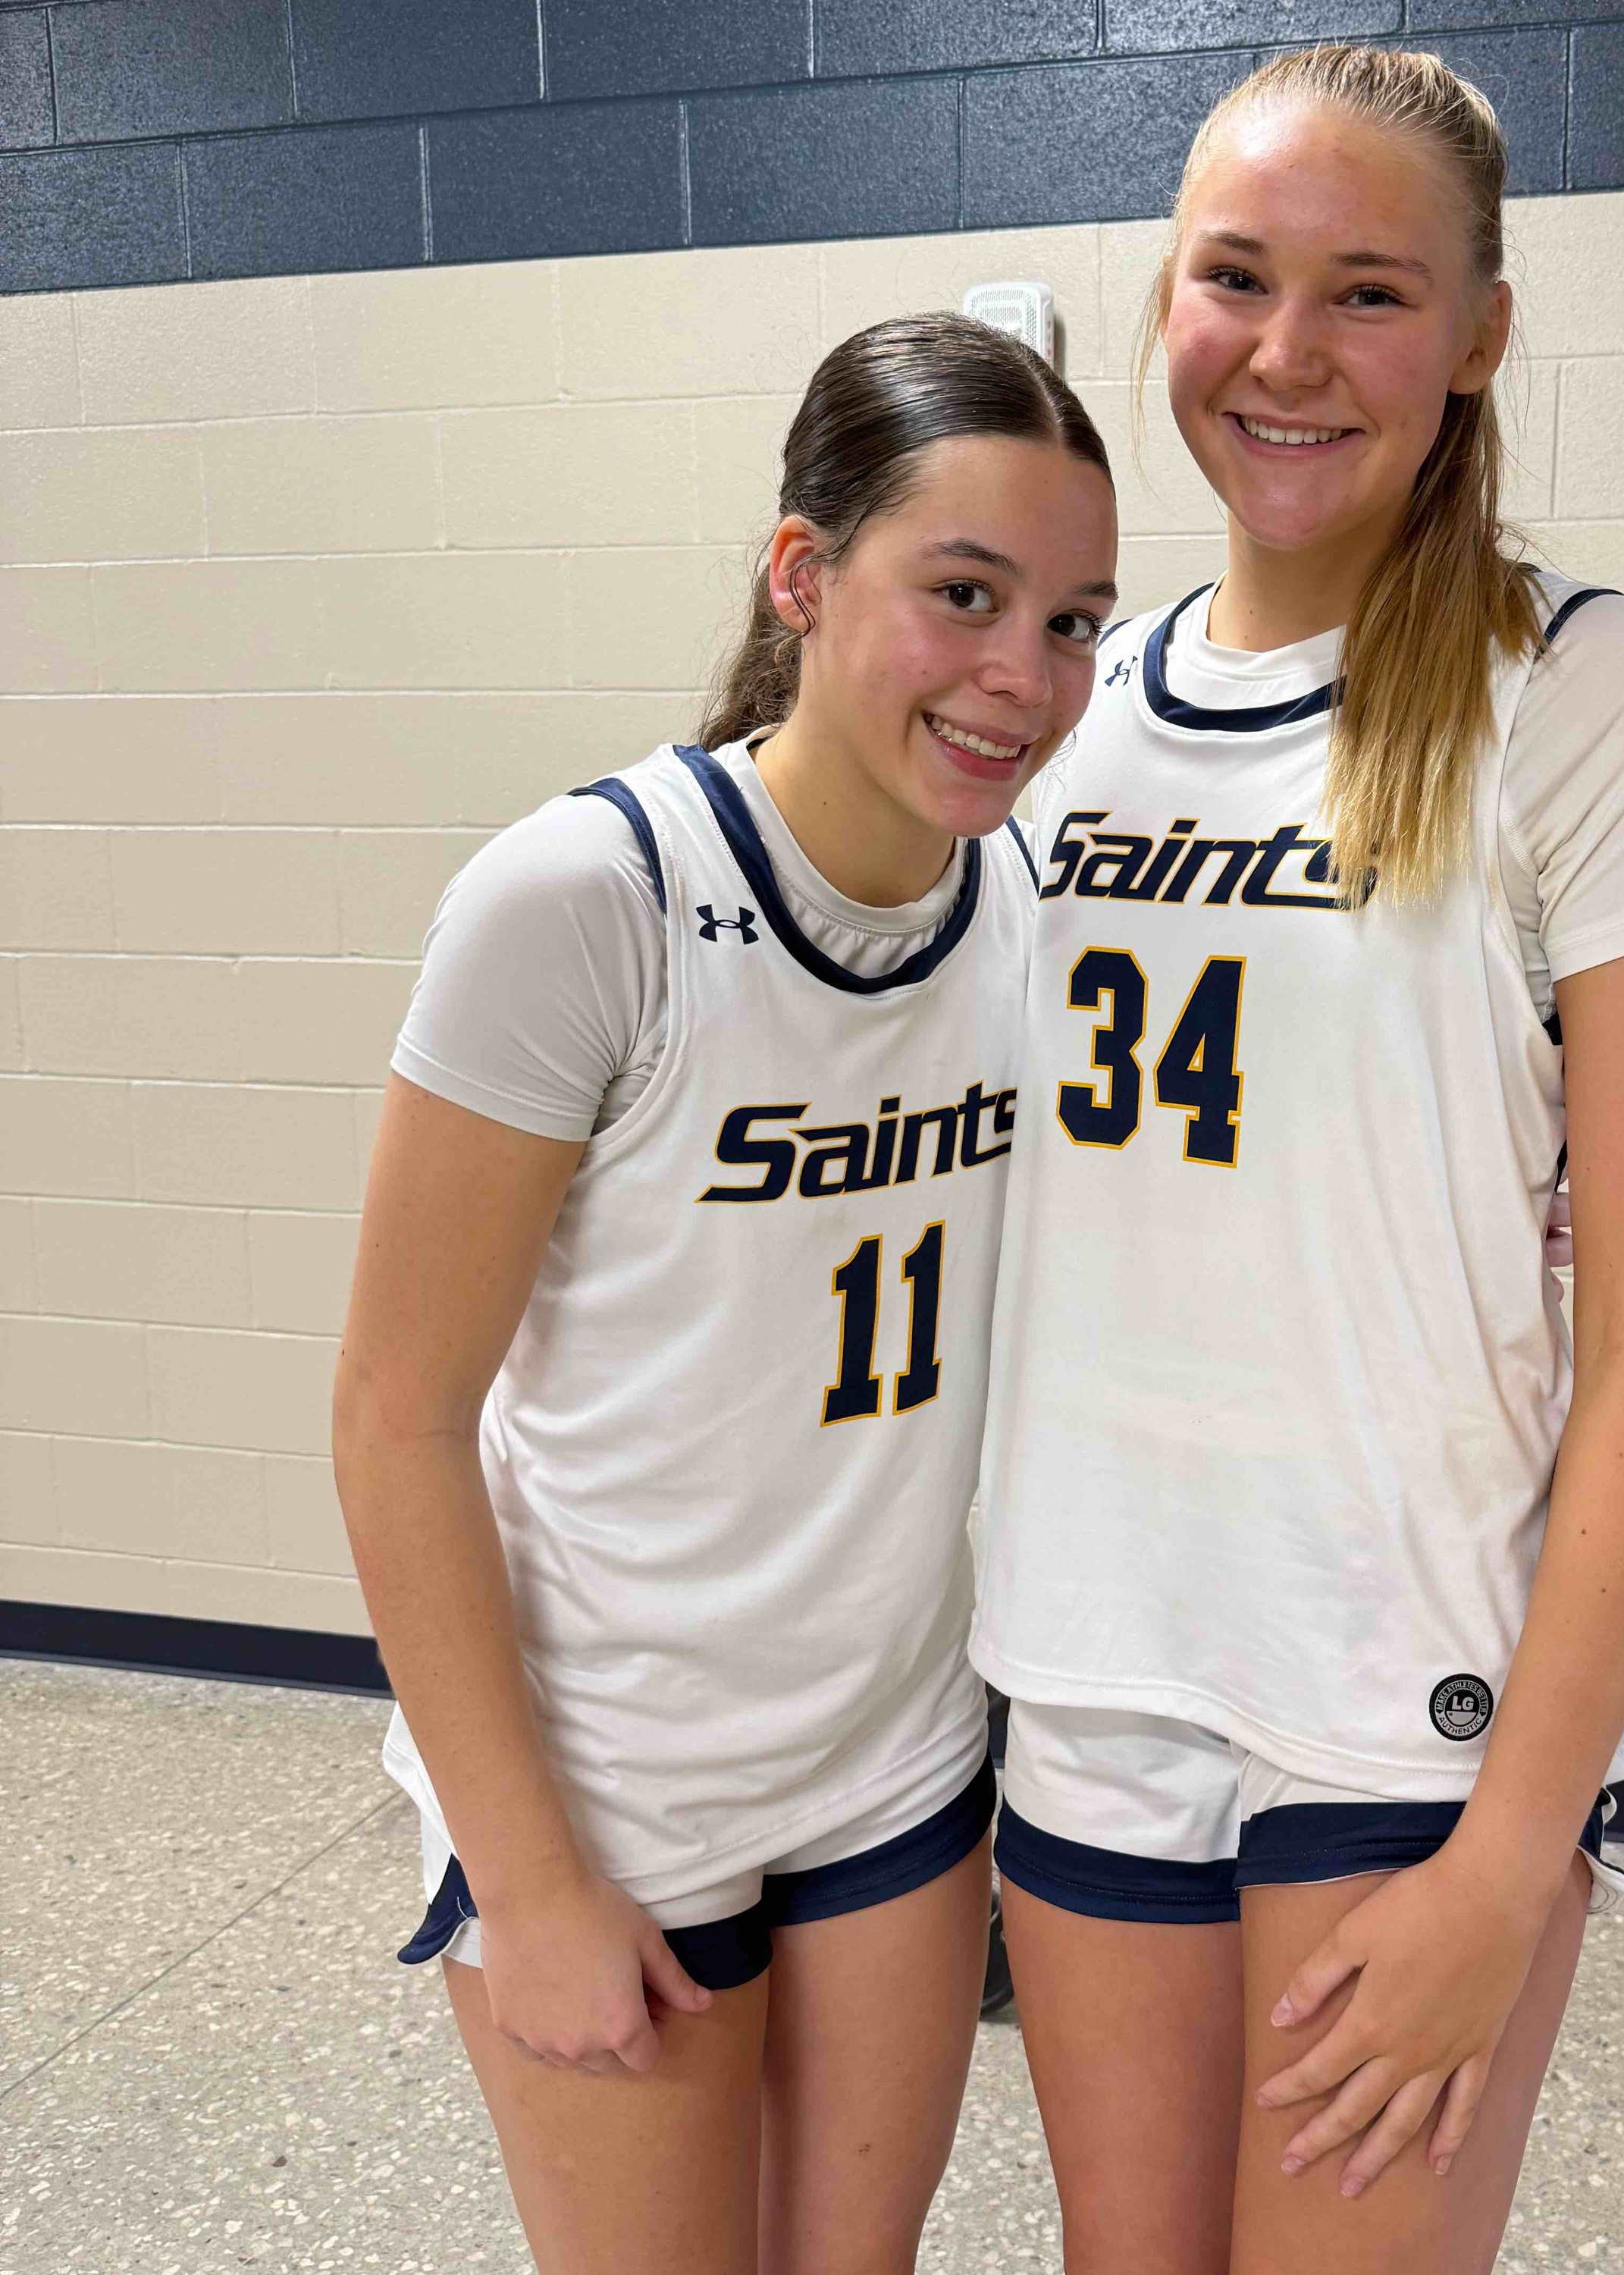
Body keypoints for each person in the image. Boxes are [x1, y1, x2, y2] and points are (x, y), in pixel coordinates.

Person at [971, 46, 1624, 2275]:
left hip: (1407, 1706)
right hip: (1093, 1666)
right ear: (1166, 299)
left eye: (1371, 293)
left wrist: (1512, 1855)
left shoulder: (1581, 686)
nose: (1287, 354)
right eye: (1236, 278)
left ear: (1480, 333)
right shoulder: (1061, 712)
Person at [331, 314, 1118, 2275]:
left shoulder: (1029, 908)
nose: (1024, 678)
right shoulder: (582, 900)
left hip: (894, 1759)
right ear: (802, 576)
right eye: (964, 595)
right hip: (612, 1781)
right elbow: (394, 1423)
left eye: (1073, 623)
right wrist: (529, 1881)